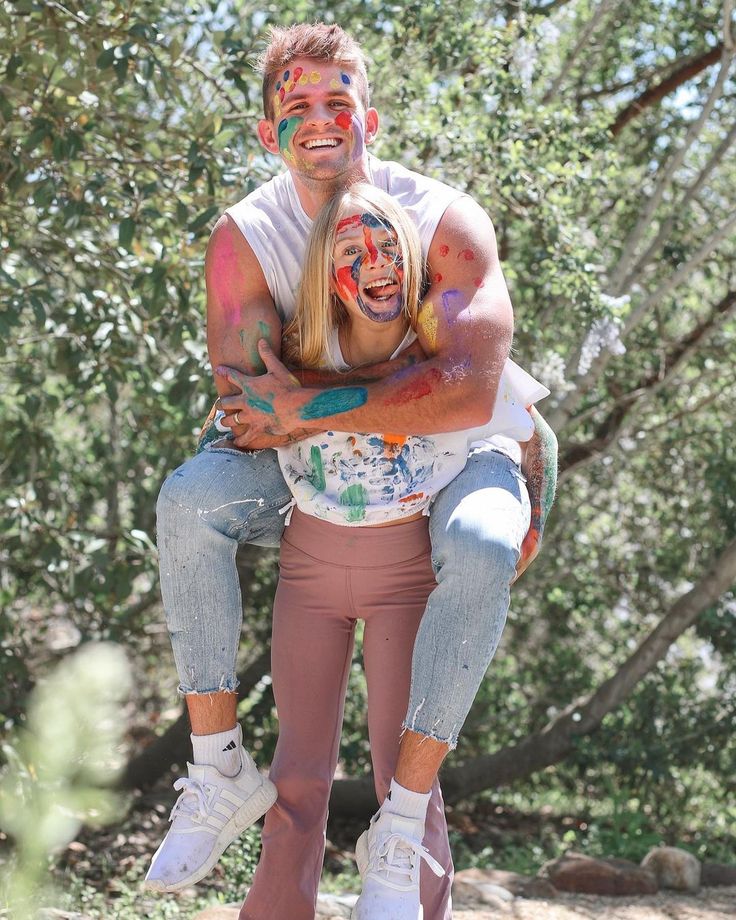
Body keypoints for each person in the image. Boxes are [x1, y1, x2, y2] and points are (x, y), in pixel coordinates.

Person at [146, 21, 558, 919]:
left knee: (484, 545)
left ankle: (403, 827)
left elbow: (468, 390)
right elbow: (252, 414)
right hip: (311, 480)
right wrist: (397, 385)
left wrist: (319, 400)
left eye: (339, 102)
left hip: (458, 462)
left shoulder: (444, 221)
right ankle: (217, 767)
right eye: (299, 106)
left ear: (368, 114)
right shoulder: (246, 240)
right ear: (269, 133)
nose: (322, 119)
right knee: (189, 502)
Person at [235, 183, 547, 920]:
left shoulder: (439, 355)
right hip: (308, 573)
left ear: (412, 259)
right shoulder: (299, 347)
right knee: (297, 773)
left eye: (386, 246)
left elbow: (531, 435)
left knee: (403, 770)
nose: (373, 262)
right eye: (350, 252)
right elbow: (244, 421)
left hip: (406, 577)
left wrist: (518, 541)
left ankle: (413, 905)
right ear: (325, 275)